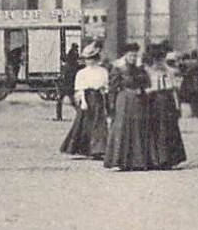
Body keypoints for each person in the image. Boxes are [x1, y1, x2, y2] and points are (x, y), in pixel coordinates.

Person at [105, 43, 153, 171]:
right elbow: (112, 89)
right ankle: (120, 161)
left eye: (135, 55)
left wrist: (142, 90)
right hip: (123, 101)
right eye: (130, 55)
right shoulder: (118, 68)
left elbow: (147, 83)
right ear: (125, 55)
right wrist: (111, 105)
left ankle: (138, 161)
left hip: (138, 102)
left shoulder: (140, 69)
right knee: (123, 129)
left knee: (137, 128)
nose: (133, 57)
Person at [61, 42, 110, 160]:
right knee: (85, 123)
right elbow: (80, 88)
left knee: (99, 123)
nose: (90, 61)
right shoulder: (82, 73)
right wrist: (83, 101)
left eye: (92, 58)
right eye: (88, 59)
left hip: (98, 98)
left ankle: (98, 149)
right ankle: (84, 148)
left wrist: (106, 95)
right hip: (87, 97)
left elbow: (106, 86)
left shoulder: (103, 71)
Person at [143, 46, 187, 170]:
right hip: (153, 102)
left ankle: (169, 159)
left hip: (168, 103)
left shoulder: (170, 71)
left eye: (161, 59)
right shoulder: (148, 72)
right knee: (155, 130)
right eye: (156, 60)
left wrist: (177, 106)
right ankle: (155, 159)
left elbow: (175, 90)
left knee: (169, 129)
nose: (159, 62)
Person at [58, 42, 80, 122]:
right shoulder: (74, 60)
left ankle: (59, 116)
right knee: (73, 101)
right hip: (69, 85)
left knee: (60, 100)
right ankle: (79, 114)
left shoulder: (68, 64)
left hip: (65, 84)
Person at [180, 51, 198, 118]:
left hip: (190, 83)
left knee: (192, 99)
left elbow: (183, 71)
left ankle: (193, 113)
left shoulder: (187, 63)